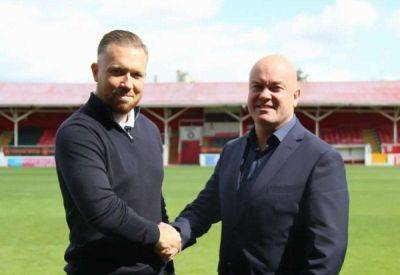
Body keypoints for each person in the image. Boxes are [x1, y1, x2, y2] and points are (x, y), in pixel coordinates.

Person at [172, 55, 349, 274]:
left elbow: (327, 254)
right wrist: (176, 234)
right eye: (257, 86)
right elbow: (205, 208)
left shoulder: (320, 158)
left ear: (295, 96)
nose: (264, 95)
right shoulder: (232, 151)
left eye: (276, 87)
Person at [55, 30, 181, 275]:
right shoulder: (78, 132)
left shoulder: (150, 130)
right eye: (117, 72)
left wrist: (166, 237)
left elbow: (154, 196)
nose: (127, 83)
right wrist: (157, 235)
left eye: (137, 74)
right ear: (96, 71)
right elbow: (102, 208)